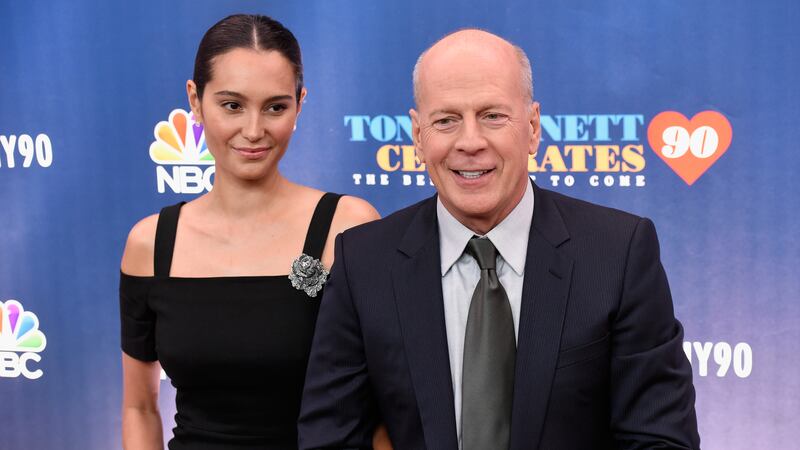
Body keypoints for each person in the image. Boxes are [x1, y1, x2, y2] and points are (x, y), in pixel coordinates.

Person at [298, 29, 700, 450]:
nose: (470, 142)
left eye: (492, 115)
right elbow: (330, 438)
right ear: (418, 136)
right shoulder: (364, 261)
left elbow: (660, 439)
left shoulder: (618, 253)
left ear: (532, 128)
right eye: (446, 120)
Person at [119, 14, 385, 449]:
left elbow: (382, 403)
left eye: (275, 107)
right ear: (195, 99)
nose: (254, 130)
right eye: (232, 105)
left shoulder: (347, 224)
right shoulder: (151, 244)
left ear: (300, 103)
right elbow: (139, 408)